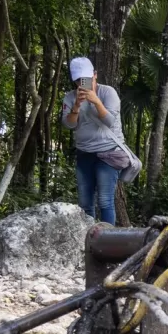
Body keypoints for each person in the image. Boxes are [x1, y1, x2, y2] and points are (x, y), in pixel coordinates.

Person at [61, 57, 129, 225]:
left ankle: (108, 242)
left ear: (95, 75)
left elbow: (110, 121)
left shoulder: (108, 93)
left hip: (109, 153)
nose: (82, 83)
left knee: (105, 201)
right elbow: (68, 125)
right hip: (84, 153)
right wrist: (76, 106)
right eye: (78, 80)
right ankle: (89, 241)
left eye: (86, 79)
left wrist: (96, 101)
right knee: (85, 203)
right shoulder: (70, 98)